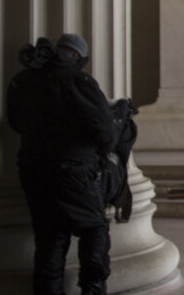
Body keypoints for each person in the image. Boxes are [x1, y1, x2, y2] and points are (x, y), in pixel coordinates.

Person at [6, 33, 115, 295]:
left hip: (33, 171)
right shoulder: (80, 81)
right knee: (94, 229)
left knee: (50, 239)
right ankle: (92, 289)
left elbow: (15, 123)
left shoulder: (23, 80)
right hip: (73, 172)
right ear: (78, 57)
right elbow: (105, 132)